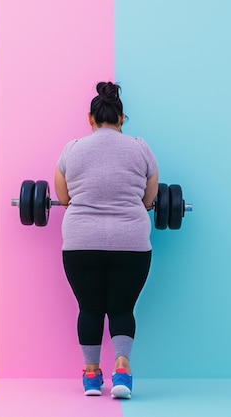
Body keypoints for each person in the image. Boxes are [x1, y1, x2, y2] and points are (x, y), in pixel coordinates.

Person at [54, 81, 159, 399]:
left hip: (80, 242)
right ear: (122, 118)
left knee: (89, 309)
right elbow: (149, 200)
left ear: (91, 118)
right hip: (131, 243)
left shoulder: (72, 149)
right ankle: (122, 373)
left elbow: (63, 198)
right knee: (122, 309)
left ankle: (90, 378)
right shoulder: (140, 147)